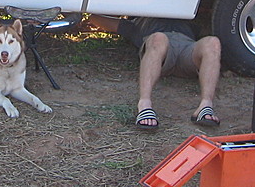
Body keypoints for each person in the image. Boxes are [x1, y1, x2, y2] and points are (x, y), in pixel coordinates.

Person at [87, 15, 222, 130]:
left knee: (213, 42)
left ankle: (205, 105)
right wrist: (84, 13)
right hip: (161, 54)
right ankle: (144, 105)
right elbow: (98, 19)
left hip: (188, 50)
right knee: (158, 38)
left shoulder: (186, 16)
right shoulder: (140, 19)